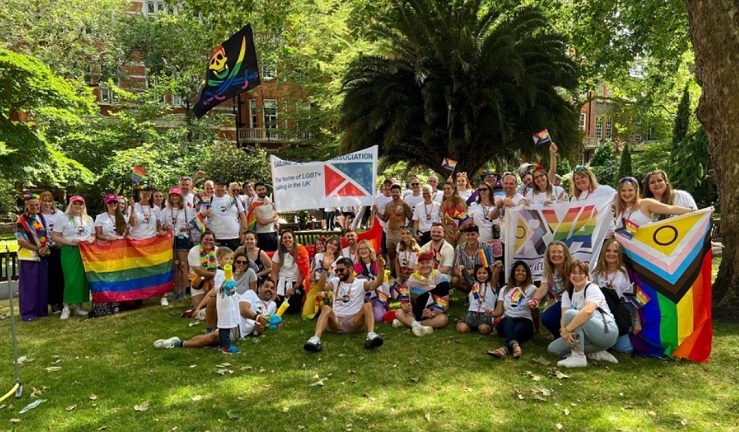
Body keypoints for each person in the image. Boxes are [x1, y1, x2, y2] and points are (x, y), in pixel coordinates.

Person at [153, 279, 277, 350]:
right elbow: (243, 309)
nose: (269, 289)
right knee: (215, 297)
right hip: (233, 321)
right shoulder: (251, 294)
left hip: (240, 331)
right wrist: (257, 317)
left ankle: (177, 342)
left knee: (212, 338)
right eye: (266, 286)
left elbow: (265, 323)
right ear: (259, 288)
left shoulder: (272, 306)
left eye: (272, 288)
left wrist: (261, 328)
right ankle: (203, 332)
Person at [303, 257, 386, 352]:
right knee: (326, 308)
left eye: (341, 270)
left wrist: (381, 267)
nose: (338, 273)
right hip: (336, 321)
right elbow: (322, 287)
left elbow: (378, 282)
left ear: (350, 269)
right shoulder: (335, 281)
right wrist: (325, 269)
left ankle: (371, 335)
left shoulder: (361, 283)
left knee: (367, 305)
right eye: (337, 270)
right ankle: (315, 339)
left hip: (354, 321)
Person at [548, 261, 619, 367]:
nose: (577, 276)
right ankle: (595, 353)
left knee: (571, 314)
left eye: (581, 273)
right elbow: (563, 316)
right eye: (573, 272)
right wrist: (564, 331)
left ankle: (578, 356)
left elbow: (588, 311)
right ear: (569, 275)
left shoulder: (592, 288)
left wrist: (567, 330)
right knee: (553, 349)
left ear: (587, 275)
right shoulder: (567, 294)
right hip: (587, 336)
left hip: (607, 332)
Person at [51, 196, 95, 320]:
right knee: (71, 278)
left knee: (82, 279)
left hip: (85, 251)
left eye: (80, 204)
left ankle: (79, 306)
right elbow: (54, 236)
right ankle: (66, 306)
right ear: (70, 205)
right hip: (70, 250)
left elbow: (93, 235)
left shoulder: (88, 219)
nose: (78, 206)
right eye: (75, 204)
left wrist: (90, 240)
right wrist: (69, 242)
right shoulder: (62, 218)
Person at [592, 239, 638, 354]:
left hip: (623, 312)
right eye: (608, 250)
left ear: (619, 254)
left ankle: (611, 341)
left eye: (615, 251)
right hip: (602, 312)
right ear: (603, 252)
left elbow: (635, 299)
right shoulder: (596, 273)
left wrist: (637, 321)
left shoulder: (626, 273)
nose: (611, 254)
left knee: (625, 349)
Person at [192, 247, 241, 353]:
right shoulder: (219, 274)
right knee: (225, 325)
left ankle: (222, 345)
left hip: (230, 301)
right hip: (224, 303)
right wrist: (224, 286)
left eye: (231, 259)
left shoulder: (228, 273)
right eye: (227, 258)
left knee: (227, 324)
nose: (230, 261)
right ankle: (226, 346)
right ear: (219, 260)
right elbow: (217, 288)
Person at [128, 182, 168, 306]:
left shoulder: (155, 209)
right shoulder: (132, 206)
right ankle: (139, 296)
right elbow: (132, 224)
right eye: (144, 192)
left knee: (157, 268)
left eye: (149, 192)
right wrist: (133, 209)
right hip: (137, 243)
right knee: (139, 271)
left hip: (152, 242)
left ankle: (163, 295)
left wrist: (162, 231)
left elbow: (158, 226)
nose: (146, 194)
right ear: (139, 193)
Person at [487, 261, 538, 359]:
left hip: (524, 321)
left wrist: (537, 328)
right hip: (506, 323)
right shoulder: (504, 289)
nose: (520, 273)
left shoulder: (532, 289)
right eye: (518, 270)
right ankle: (515, 346)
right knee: (507, 319)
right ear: (513, 273)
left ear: (527, 274)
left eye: (523, 271)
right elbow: (499, 311)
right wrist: (491, 313)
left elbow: (534, 310)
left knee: (518, 329)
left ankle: (504, 349)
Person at [393, 251, 451, 336]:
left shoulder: (441, 280)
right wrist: (404, 306)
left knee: (443, 319)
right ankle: (418, 326)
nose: (425, 265)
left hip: (432, 314)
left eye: (428, 262)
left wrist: (433, 313)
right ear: (418, 265)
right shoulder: (412, 279)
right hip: (415, 312)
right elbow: (405, 301)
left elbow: (445, 304)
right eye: (422, 263)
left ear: (433, 263)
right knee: (398, 312)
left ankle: (414, 324)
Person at [15, 194, 51, 321]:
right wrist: (37, 249)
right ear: (26, 206)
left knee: (41, 284)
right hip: (28, 257)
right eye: (32, 205)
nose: (35, 207)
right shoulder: (21, 220)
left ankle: (41, 310)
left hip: (42, 255)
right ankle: (28, 313)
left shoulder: (40, 217)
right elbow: (21, 241)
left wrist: (45, 248)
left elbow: (46, 235)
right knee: (29, 286)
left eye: (37, 204)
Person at [528, 241, 574, 337]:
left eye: (559, 252)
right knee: (547, 319)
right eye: (553, 252)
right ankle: (560, 337)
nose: (556, 255)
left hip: (576, 302)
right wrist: (535, 299)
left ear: (565, 254)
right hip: (561, 302)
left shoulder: (573, 267)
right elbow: (544, 287)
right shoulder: (548, 271)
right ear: (548, 255)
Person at [615, 177, 693, 230]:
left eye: (630, 190)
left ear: (636, 191)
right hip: (627, 252)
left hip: (646, 250)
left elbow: (670, 209)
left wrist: (692, 212)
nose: (627, 193)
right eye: (623, 190)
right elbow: (622, 231)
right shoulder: (621, 209)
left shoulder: (645, 203)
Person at [162, 187, 195, 301]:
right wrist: (166, 227)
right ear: (169, 197)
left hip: (182, 238)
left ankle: (183, 290)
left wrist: (184, 229)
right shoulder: (165, 210)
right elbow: (162, 225)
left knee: (182, 265)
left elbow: (192, 224)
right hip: (170, 239)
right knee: (174, 266)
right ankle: (176, 290)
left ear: (180, 197)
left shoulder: (186, 209)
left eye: (176, 195)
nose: (174, 197)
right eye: (172, 196)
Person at [271, 230, 310, 315]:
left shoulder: (301, 251)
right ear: (281, 241)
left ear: (293, 239)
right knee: (277, 304)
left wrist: (293, 288)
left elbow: (304, 272)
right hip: (281, 282)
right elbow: (274, 273)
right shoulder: (278, 253)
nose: (287, 240)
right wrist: (274, 290)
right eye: (285, 238)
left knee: (292, 309)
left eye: (289, 237)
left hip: (296, 282)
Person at [456, 263, 501, 335]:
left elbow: (495, 275)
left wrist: (497, 268)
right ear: (475, 274)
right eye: (479, 273)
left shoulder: (492, 285)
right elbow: (467, 276)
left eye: (484, 273)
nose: (481, 275)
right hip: (471, 314)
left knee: (483, 329)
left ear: (489, 274)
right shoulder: (474, 284)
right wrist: (463, 269)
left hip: (486, 315)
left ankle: (490, 327)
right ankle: (462, 321)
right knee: (462, 329)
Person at [39, 191, 65, 313]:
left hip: (58, 248)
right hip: (44, 250)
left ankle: (61, 301)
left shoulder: (59, 214)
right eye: (44, 201)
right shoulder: (37, 216)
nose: (47, 203)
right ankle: (53, 303)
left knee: (60, 276)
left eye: (49, 201)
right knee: (50, 278)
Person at [303, 235, 340, 319]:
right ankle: (319, 308)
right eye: (331, 243)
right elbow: (313, 272)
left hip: (331, 287)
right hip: (316, 284)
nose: (332, 246)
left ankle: (325, 307)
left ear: (338, 248)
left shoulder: (340, 259)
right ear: (326, 244)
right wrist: (312, 276)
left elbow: (340, 280)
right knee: (306, 314)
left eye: (335, 245)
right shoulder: (318, 256)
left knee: (328, 297)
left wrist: (327, 292)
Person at [376, 184, 413, 266]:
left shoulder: (404, 204)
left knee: (400, 252)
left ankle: (400, 270)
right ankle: (393, 270)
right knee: (390, 252)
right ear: (391, 192)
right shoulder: (388, 205)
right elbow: (385, 219)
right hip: (389, 232)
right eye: (393, 192)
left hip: (399, 231)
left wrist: (407, 230)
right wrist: (377, 212)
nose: (395, 194)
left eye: (397, 192)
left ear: (400, 193)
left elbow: (411, 217)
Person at [205, 178, 247, 251]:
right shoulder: (208, 200)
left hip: (234, 237)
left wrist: (243, 232)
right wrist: (205, 213)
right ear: (214, 187)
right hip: (216, 238)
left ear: (226, 188)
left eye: (222, 186)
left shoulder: (234, 199)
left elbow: (243, 217)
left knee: (234, 260)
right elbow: (200, 217)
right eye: (218, 186)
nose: (220, 188)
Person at [353, 240, 390, 322]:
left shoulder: (378, 264)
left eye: (365, 248)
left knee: (378, 318)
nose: (363, 251)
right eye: (361, 249)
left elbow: (384, 282)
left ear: (370, 250)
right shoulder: (356, 267)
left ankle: (381, 308)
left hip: (378, 297)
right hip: (362, 297)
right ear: (358, 252)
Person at [452, 224, 495, 293]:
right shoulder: (459, 248)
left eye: (473, 234)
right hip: (467, 279)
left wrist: (470, 272)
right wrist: (461, 274)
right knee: (454, 280)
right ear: (465, 236)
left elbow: (491, 268)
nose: (470, 237)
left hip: (483, 277)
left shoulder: (486, 247)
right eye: (468, 235)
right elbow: (455, 269)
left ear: (478, 235)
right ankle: (468, 297)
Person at [186, 231, 218, 316]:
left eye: (211, 240)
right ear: (201, 240)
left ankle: (209, 310)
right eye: (206, 239)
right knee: (198, 305)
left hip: (212, 280)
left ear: (214, 241)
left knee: (213, 303)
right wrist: (213, 274)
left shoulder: (218, 250)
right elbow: (198, 271)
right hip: (198, 280)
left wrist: (213, 276)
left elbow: (219, 268)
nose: (208, 242)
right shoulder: (193, 251)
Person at [439, 181, 471, 247]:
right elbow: (442, 222)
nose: (446, 190)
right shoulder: (442, 205)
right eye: (444, 189)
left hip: (461, 229)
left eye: (448, 188)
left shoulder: (461, 201)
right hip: (448, 231)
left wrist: (459, 231)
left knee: (460, 250)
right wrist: (450, 235)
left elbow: (466, 218)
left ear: (453, 190)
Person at [251, 182, 279, 252]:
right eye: (259, 190)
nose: (262, 191)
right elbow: (261, 222)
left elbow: (275, 214)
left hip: (274, 232)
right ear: (255, 191)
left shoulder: (269, 201)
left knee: (275, 256)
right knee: (265, 257)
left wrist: (276, 222)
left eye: (263, 189)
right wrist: (273, 219)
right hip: (263, 234)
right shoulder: (255, 204)